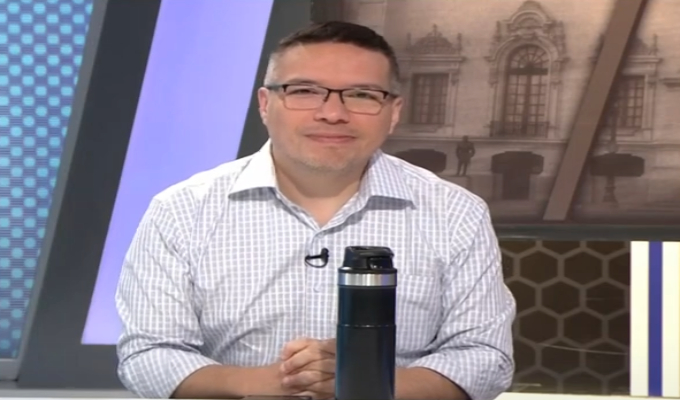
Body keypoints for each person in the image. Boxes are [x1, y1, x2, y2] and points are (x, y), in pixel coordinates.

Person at [115, 21, 516, 400]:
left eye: (362, 95)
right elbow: (148, 356)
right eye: (305, 91)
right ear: (265, 104)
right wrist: (275, 382)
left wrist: (363, 382)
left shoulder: (455, 213)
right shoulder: (182, 211)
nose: (332, 113)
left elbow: (484, 357)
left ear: (393, 112)